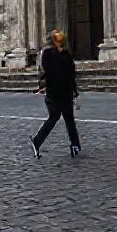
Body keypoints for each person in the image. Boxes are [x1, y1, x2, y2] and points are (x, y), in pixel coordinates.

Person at [28, 30, 81, 158]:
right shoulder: (50, 53)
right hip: (55, 91)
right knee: (57, 118)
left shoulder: (63, 54)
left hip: (63, 91)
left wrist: (74, 91)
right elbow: (48, 70)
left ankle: (75, 145)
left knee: (66, 119)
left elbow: (70, 73)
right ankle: (37, 141)